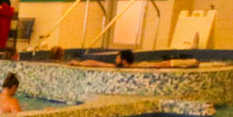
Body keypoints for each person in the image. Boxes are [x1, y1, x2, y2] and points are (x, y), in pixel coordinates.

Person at [71, 49, 199, 69]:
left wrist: (190, 62)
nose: (115, 60)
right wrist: (79, 63)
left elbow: (164, 64)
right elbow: (95, 63)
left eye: (117, 58)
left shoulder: (140, 66)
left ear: (124, 61)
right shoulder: (116, 67)